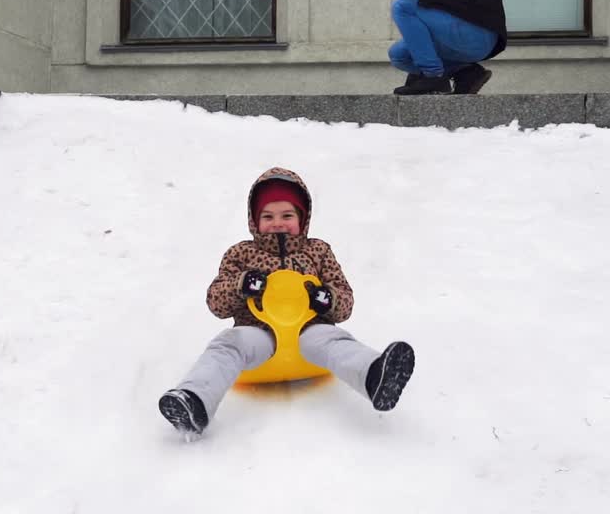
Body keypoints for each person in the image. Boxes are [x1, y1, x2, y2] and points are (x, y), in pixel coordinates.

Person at [158, 167, 416, 438]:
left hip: (310, 334)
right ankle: (195, 399)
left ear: (302, 218)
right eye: (267, 216)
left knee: (336, 342)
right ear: (254, 220)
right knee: (228, 345)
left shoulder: (317, 251)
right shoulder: (241, 254)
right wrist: (241, 285)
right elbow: (215, 302)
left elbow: (346, 300)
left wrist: (327, 299)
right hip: (259, 335)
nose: (278, 223)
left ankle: (373, 376)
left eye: (287, 215)